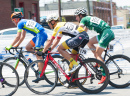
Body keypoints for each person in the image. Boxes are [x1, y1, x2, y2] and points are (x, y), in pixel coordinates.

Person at [35, 13, 89, 83]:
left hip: (80, 37)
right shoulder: (61, 25)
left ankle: (76, 65)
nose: (48, 24)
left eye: (49, 23)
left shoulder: (57, 26)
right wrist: (50, 49)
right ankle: (72, 80)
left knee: (60, 49)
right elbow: (57, 40)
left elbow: (50, 40)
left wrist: (43, 51)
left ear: (53, 21)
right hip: (84, 37)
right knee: (72, 56)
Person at [74, 7, 115, 84]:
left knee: (98, 53)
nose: (76, 19)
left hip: (106, 32)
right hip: (104, 33)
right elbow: (83, 34)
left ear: (80, 15)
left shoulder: (83, 19)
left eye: (76, 16)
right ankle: (98, 60)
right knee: (89, 42)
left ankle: (104, 74)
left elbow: (79, 30)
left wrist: (73, 40)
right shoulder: (87, 20)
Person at [5, 12, 48, 82]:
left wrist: (10, 45)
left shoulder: (20, 23)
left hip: (40, 35)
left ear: (16, 19)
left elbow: (18, 36)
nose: (13, 22)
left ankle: (41, 74)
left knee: (38, 54)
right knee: (28, 47)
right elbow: (22, 36)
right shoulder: (23, 22)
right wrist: (17, 45)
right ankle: (40, 58)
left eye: (13, 20)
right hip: (38, 35)